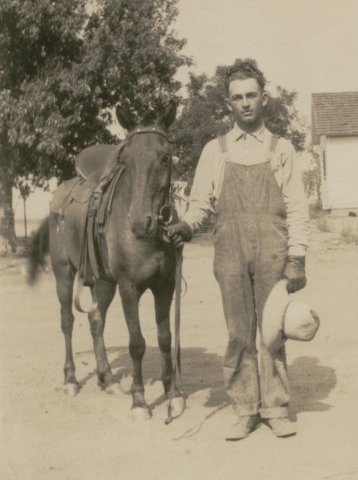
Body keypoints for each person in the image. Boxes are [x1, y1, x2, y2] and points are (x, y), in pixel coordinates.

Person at [166, 59, 309, 440]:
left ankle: (276, 407)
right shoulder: (216, 150)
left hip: (274, 252)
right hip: (229, 251)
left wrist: (297, 257)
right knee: (238, 333)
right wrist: (186, 224)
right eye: (237, 98)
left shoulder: (282, 149)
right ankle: (244, 408)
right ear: (229, 103)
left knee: (272, 332)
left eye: (251, 95)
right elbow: (200, 205)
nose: (245, 103)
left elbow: (296, 206)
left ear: (264, 98)